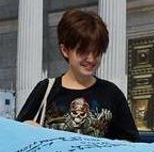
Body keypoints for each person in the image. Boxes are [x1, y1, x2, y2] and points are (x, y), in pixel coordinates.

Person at [16, 9, 138, 141]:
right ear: (65, 50)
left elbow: (131, 143)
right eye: (83, 51)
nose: (91, 59)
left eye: (97, 52)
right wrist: (25, 129)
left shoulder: (111, 93)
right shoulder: (46, 89)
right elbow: (15, 137)